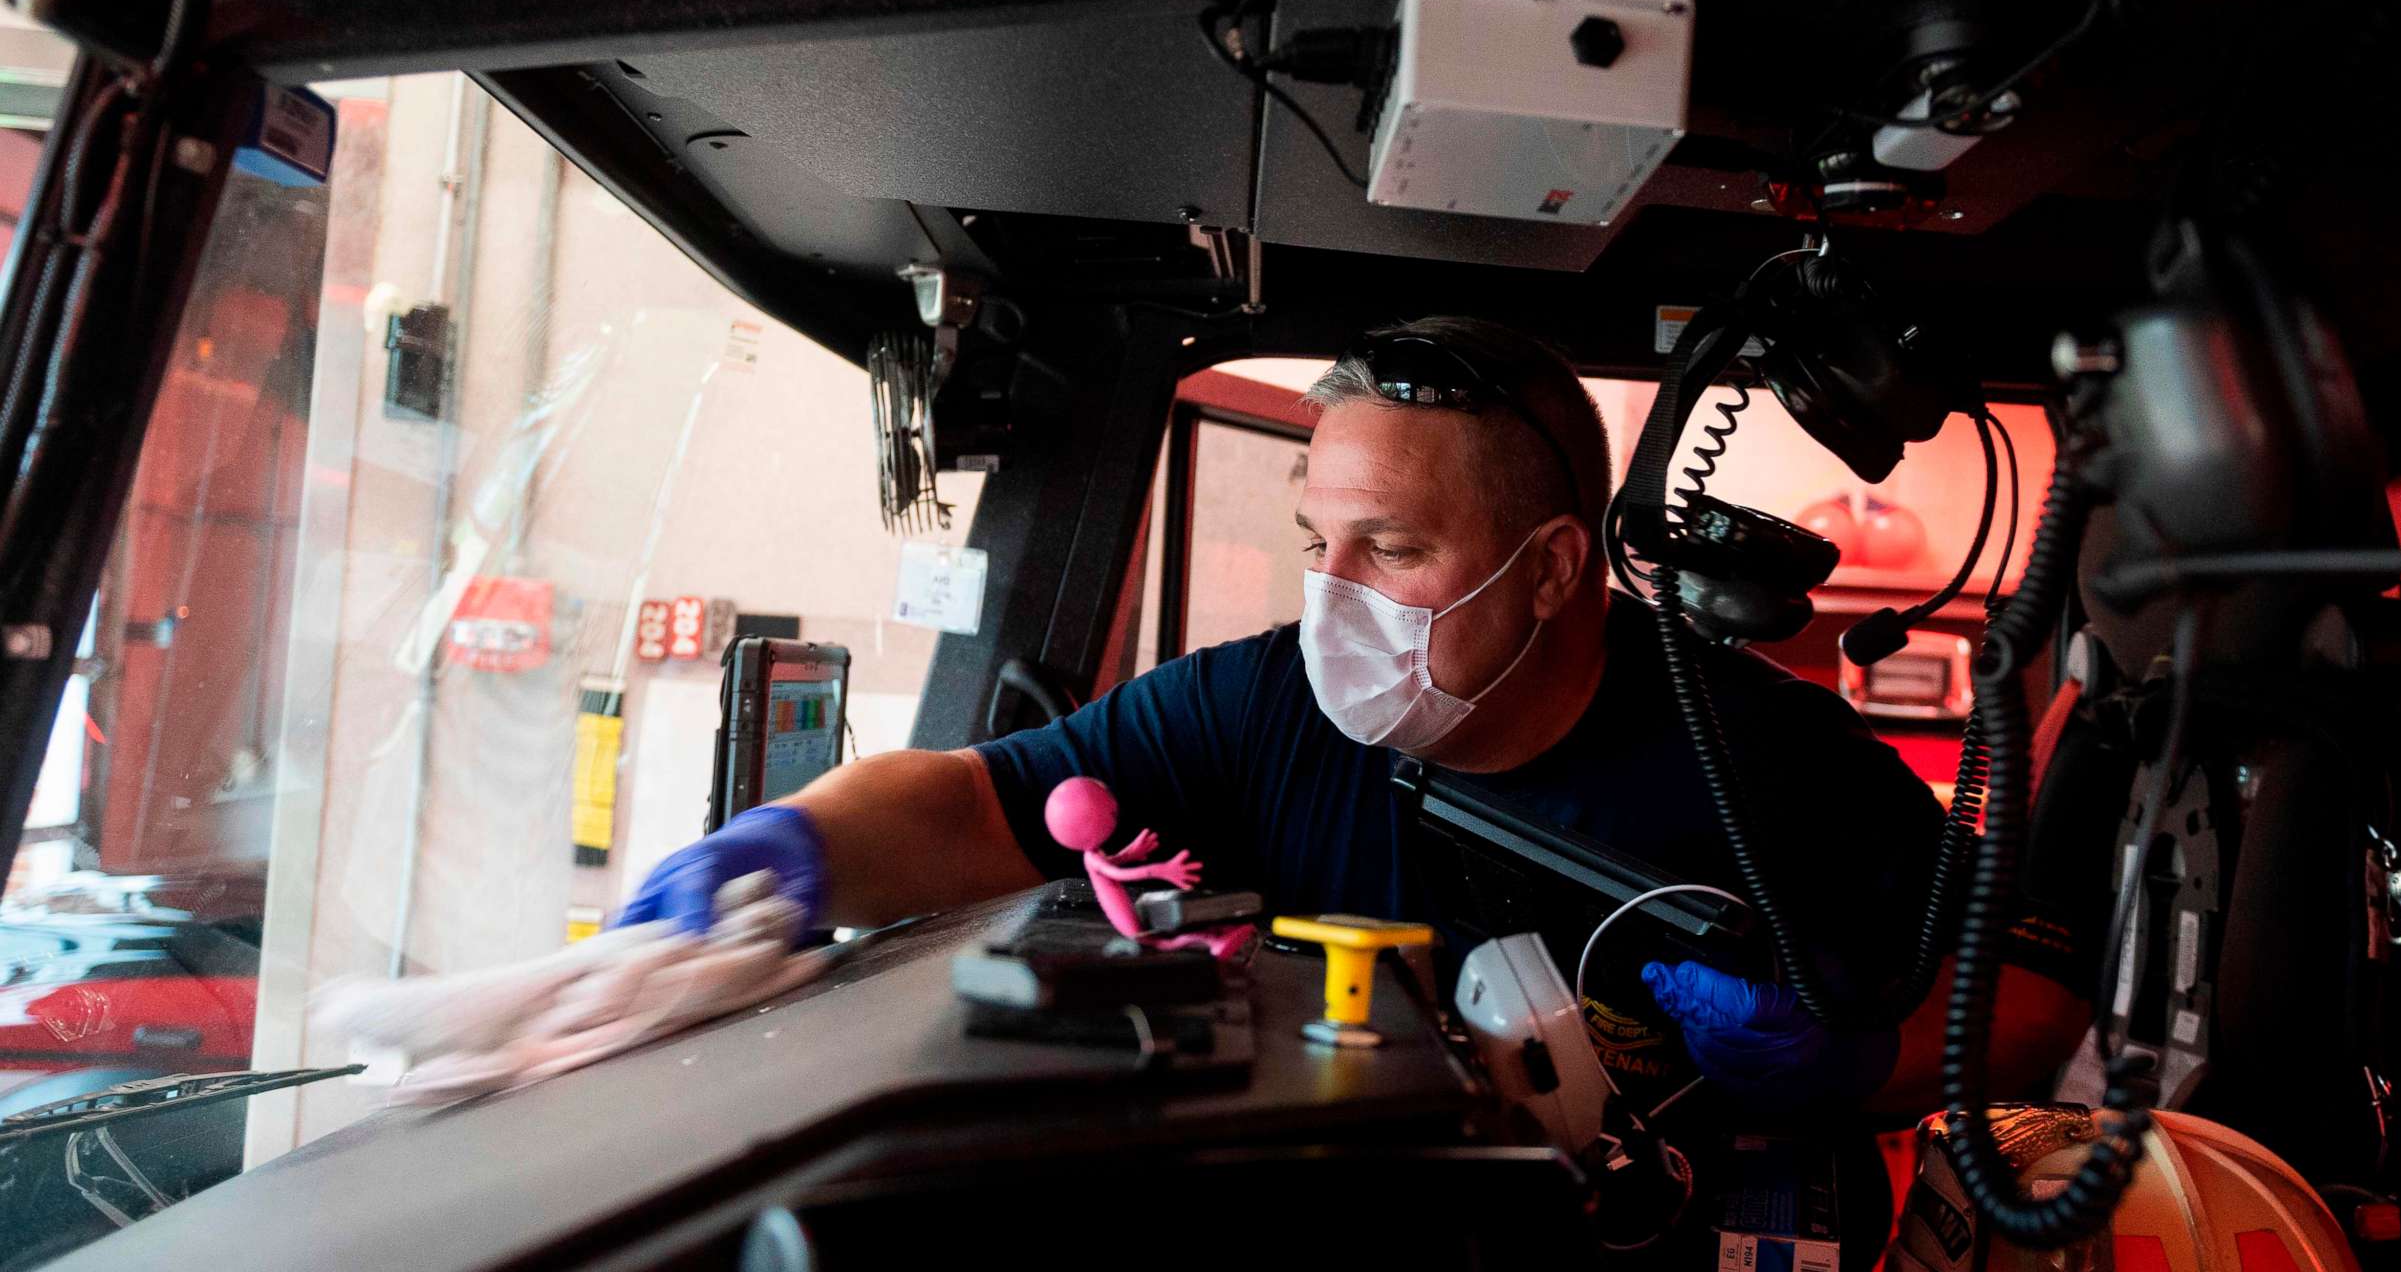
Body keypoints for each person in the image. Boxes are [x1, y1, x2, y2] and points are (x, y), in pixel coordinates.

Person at [618, 317, 2094, 1117]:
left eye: (1390, 550)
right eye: (1320, 541)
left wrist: (1862, 1068)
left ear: (1554, 571)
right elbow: (971, 804)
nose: (1334, 595)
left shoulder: (1763, 754)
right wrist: (777, 861)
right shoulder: (1262, 704)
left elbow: (2028, 1002)